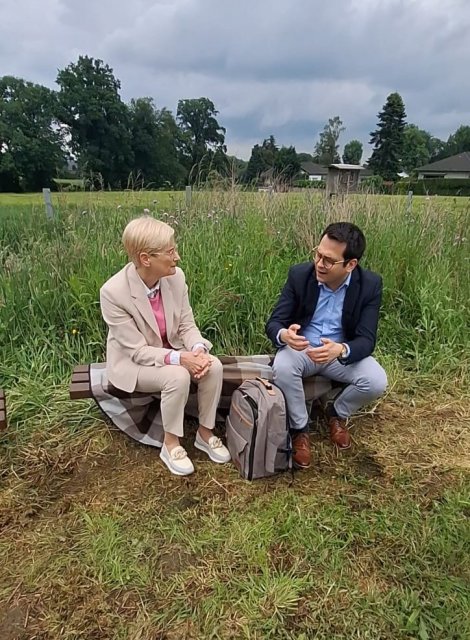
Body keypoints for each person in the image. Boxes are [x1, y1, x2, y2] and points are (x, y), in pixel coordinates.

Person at [100, 216, 230, 476]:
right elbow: (136, 351)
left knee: (213, 366)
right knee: (177, 376)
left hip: (171, 353)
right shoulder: (113, 293)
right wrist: (182, 359)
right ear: (146, 258)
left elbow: (186, 325)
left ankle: (205, 433)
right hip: (134, 364)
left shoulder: (176, 278)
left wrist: (198, 350)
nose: (177, 257)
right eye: (170, 252)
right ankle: (170, 444)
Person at [265, 221, 387, 469]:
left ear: (351, 264)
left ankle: (337, 411)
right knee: (283, 365)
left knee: (376, 380)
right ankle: (300, 428)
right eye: (318, 254)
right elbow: (275, 322)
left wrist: (341, 349)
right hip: (303, 350)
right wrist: (284, 335)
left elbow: (366, 339)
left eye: (329, 260)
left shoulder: (369, 285)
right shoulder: (300, 275)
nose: (319, 263)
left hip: (337, 353)